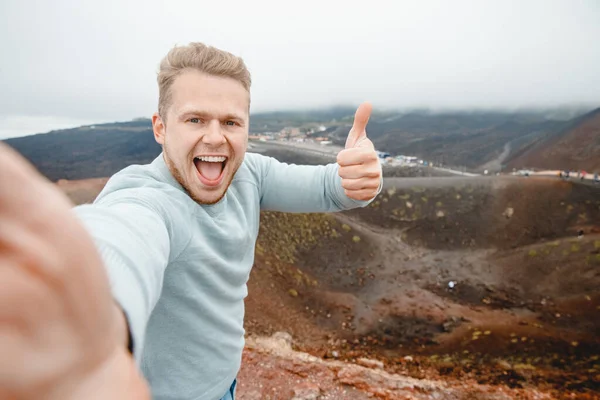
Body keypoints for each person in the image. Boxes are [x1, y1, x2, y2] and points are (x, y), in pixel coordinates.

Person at [0, 42, 383, 400]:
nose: (215, 138)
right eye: (195, 119)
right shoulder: (149, 198)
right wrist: (90, 313)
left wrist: (359, 180)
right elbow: (123, 235)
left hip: (225, 385)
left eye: (231, 122)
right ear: (160, 127)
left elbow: (329, 189)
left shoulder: (250, 173)